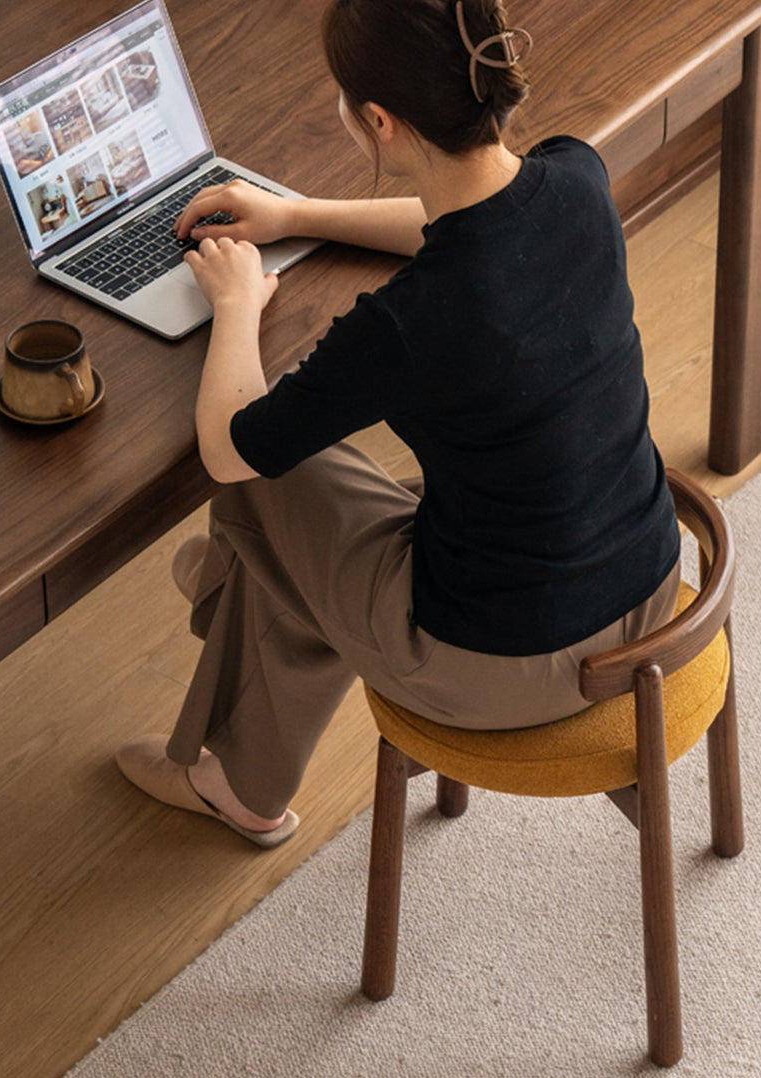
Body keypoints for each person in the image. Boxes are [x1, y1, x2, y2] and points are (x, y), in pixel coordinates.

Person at [116, 0, 682, 848]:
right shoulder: (576, 178)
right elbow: (458, 225)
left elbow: (230, 451)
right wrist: (297, 214)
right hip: (646, 589)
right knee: (297, 496)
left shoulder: (412, 324)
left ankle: (236, 776)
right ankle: (246, 598)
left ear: (378, 120)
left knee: (270, 475)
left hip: (503, 666)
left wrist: (236, 303)